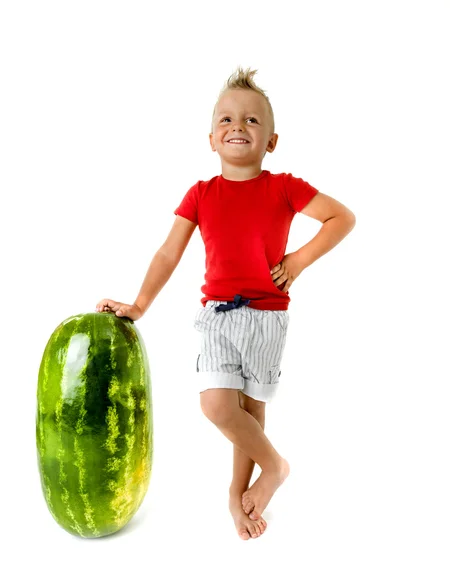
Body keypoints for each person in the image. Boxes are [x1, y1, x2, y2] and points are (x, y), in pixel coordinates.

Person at [96, 66, 356, 541]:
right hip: (217, 316)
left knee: (250, 413)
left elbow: (342, 217)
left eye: (252, 121)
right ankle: (275, 466)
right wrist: (139, 304)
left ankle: (239, 497)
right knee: (218, 405)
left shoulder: (283, 187)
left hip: (267, 318)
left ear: (272, 141)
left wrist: (297, 261)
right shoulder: (201, 194)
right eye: (227, 120)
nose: (239, 126)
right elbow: (168, 253)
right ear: (211, 139)